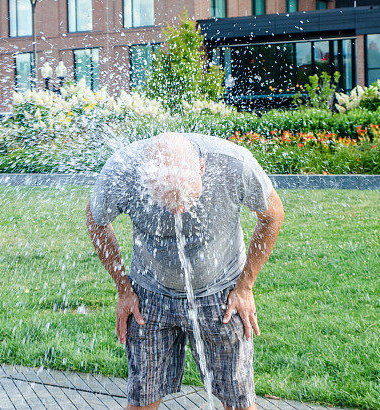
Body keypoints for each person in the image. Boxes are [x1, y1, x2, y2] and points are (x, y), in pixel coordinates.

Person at [86, 132, 284, 410]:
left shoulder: (235, 164)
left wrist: (245, 286)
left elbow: (273, 214)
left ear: (201, 167)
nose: (178, 211)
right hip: (149, 296)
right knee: (142, 397)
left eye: (186, 200)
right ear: (144, 180)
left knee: (238, 398)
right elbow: (96, 220)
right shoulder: (122, 171)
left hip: (222, 293)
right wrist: (123, 288)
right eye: (168, 203)